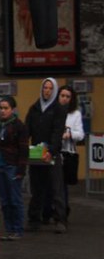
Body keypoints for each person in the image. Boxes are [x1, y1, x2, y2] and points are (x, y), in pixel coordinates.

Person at [25, 78, 68, 233]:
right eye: (45, 87)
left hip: (52, 154)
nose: (47, 90)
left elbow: (57, 132)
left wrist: (51, 151)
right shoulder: (34, 108)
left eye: (50, 88)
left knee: (56, 189)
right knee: (37, 189)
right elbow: (27, 129)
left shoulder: (58, 109)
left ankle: (60, 220)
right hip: (36, 154)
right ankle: (34, 219)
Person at [0, 96, 29, 240]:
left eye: (6, 108)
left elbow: (24, 149)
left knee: (15, 199)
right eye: (1, 108)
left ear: (13, 110)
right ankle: (9, 229)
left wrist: (21, 170)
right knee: (4, 200)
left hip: (12, 165)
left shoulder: (19, 126)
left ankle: (17, 229)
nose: (2, 111)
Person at [58, 85, 85, 218]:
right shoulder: (53, 111)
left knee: (63, 185)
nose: (64, 99)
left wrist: (69, 134)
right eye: (62, 95)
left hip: (67, 152)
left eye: (67, 96)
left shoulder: (75, 114)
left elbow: (80, 135)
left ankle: (63, 212)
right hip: (53, 151)